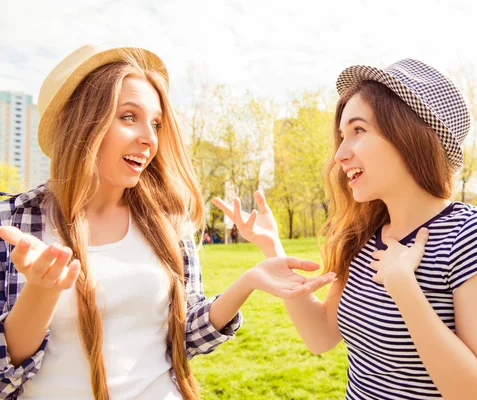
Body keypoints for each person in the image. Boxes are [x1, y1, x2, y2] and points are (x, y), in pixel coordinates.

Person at [0, 44, 328, 400]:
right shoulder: (15, 222)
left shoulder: (168, 223)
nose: (150, 138)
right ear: (79, 123)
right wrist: (41, 292)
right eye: (128, 117)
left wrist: (246, 283)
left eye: (156, 123)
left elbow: (184, 337)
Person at [215, 59, 477, 399]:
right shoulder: (363, 236)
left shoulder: (471, 234)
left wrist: (403, 286)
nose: (340, 154)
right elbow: (322, 336)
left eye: (358, 131)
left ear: (408, 135)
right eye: (342, 136)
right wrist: (273, 249)